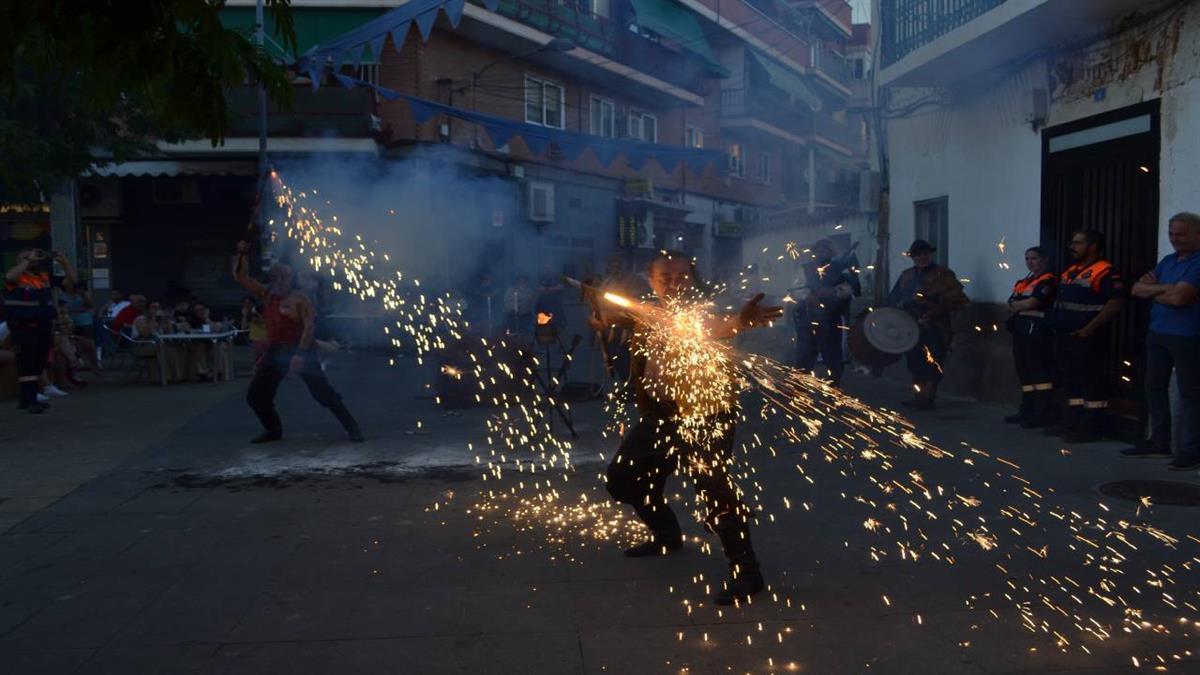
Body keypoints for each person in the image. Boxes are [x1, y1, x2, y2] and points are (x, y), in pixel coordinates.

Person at [599, 251, 783, 606]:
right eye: (665, 277)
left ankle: (747, 571)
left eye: (681, 275)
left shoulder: (704, 309)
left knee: (715, 492)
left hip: (706, 416)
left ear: (693, 278)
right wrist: (603, 318)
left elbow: (719, 324)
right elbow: (625, 316)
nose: (674, 283)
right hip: (660, 416)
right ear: (652, 280)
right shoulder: (648, 311)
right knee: (623, 479)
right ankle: (666, 534)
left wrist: (740, 322)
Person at [233, 241, 364, 443]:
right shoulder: (266, 294)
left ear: (289, 280)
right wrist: (242, 254)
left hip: (303, 349)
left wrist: (299, 355)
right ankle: (273, 429)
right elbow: (240, 276)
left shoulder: (300, 300)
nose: (278, 282)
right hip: (276, 351)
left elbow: (309, 327)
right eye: (274, 278)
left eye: (282, 278)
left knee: (323, 394)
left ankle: (352, 427)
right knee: (256, 396)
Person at [1123, 213, 1200, 469]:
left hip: (1188, 335)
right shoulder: (1168, 261)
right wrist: (1168, 288)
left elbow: (1181, 298)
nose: (1174, 239)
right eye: (1171, 234)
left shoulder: (1197, 263)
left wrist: (1157, 291)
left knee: (1190, 394)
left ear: (1197, 234)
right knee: (1154, 388)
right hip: (1158, 333)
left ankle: (1191, 450)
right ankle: (1159, 441)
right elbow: (1135, 289)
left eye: (1181, 234)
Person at [1044, 229, 1125, 443]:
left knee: (1091, 382)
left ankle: (1092, 427)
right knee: (1071, 381)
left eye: (1078, 243)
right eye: (1072, 242)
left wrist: (1090, 327)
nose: (1073, 246)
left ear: (1093, 246)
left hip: (1087, 336)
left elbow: (1115, 302)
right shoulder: (1071, 271)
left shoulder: (1105, 271)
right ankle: (1072, 422)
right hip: (1065, 335)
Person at [885, 240, 969, 409]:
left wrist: (932, 313)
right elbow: (893, 298)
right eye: (918, 254)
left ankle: (929, 395)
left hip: (935, 326)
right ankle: (919, 394)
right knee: (914, 361)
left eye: (926, 253)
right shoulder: (907, 275)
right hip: (910, 325)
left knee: (934, 360)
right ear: (913, 257)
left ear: (931, 254)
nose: (923, 257)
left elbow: (956, 300)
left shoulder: (944, 274)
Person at [3, 248, 76, 413]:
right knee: (26, 363)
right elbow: (9, 277)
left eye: (34, 255)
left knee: (38, 362)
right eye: (26, 254)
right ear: (20, 260)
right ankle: (29, 401)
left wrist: (64, 262)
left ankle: (29, 399)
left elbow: (70, 281)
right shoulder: (15, 276)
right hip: (23, 326)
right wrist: (27, 260)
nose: (33, 257)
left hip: (43, 324)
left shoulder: (42, 277)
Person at [791, 239, 859, 386]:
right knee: (804, 354)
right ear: (814, 252)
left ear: (830, 253)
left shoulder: (840, 268)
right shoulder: (805, 268)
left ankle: (835, 389)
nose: (821, 253)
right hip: (808, 318)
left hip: (831, 318)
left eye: (825, 250)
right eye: (818, 250)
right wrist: (810, 297)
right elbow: (796, 290)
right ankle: (799, 388)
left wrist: (831, 293)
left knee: (833, 355)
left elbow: (849, 290)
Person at [1004, 246, 1058, 427]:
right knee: (1024, 373)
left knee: (1039, 374)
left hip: (1037, 332)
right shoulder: (1025, 281)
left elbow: (1033, 302)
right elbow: (1010, 302)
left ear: (1044, 260)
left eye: (1034, 258)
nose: (1029, 262)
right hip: (1021, 331)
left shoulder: (1048, 281)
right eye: (1027, 259)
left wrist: (1019, 304)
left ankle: (1042, 413)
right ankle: (1026, 410)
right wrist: (1021, 304)